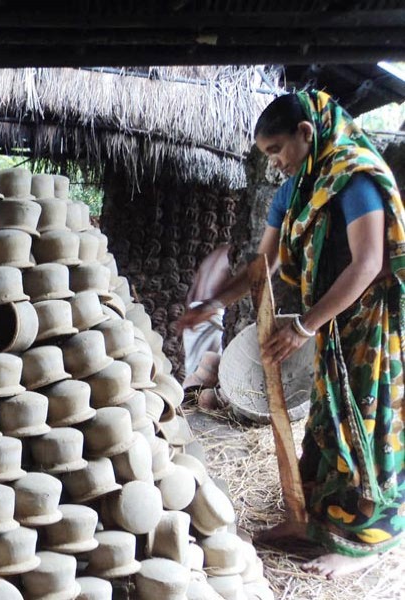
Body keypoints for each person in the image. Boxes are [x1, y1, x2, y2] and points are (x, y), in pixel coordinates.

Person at [177, 90, 405, 579]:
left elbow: (368, 263)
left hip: (366, 328)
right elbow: (264, 265)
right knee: (326, 425)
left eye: (277, 150)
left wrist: (304, 325)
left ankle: (366, 542)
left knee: (364, 424)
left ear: (306, 133)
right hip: (331, 328)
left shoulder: (354, 176)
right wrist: (212, 304)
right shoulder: (295, 189)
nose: (275, 162)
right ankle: (309, 523)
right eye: (267, 155)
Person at [182, 244, 232, 393]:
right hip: (209, 314)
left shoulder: (216, 253)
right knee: (206, 374)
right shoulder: (230, 256)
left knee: (196, 369)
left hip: (195, 313)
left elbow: (192, 296)